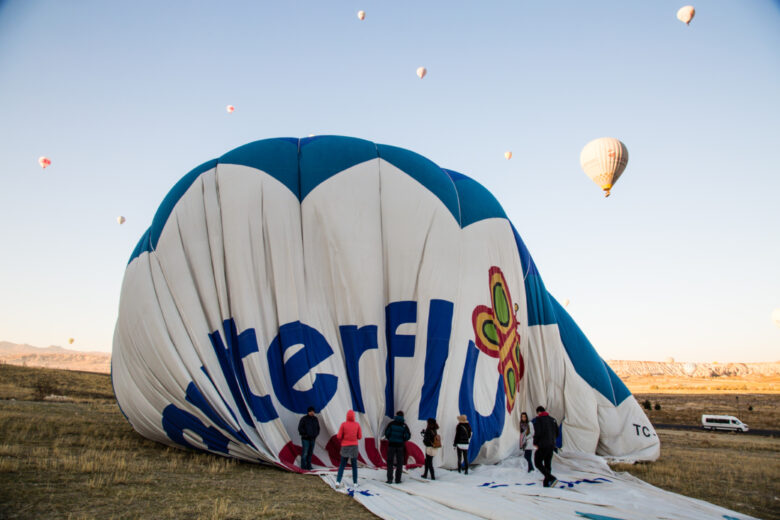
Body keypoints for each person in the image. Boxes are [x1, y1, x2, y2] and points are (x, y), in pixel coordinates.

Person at [532, 406, 558, 488]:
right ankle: (547, 484)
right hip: (551, 445)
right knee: (547, 464)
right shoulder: (552, 420)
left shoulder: (539, 420)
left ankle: (551, 478)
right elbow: (557, 433)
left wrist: (535, 442)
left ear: (539, 412)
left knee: (538, 462)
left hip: (543, 445)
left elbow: (538, 433)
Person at [336, 409, 362, 488]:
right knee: (354, 465)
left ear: (347, 416)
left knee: (342, 465)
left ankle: (338, 481)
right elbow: (360, 437)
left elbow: (339, 436)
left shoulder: (343, 424)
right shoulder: (357, 425)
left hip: (345, 446)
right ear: (354, 417)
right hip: (354, 446)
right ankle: (355, 483)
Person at [383, 410, 411, 484]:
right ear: (402, 416)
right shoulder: (404, 425)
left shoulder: (391, 424)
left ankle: (389, 479)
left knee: (390, 462)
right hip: (400, 446)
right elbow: (408, 436)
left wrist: (390, 439)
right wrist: (403, 440)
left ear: (396, 415)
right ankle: (398, 480)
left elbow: (387, 433)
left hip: (391, 445)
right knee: (399, 463)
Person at [297, 406, 320, 470]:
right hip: (305, 439)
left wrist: (316, 435)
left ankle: (309, 466)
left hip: (313, 439)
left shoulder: (315, 419)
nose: (312, 412)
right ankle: (303, 467)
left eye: (313, 411)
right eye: (311, 411)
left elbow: (318, 428)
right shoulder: (304, 419)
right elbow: (300, 428)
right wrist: (305, 435)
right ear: (308, 412)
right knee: (305, 453)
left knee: (310, 453)